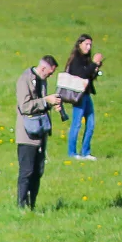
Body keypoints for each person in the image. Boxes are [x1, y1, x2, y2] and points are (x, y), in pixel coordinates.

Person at [15, 55, 62, 210]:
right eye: (49, 73)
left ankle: (32, 206)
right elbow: (25, 106)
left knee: (38, 172)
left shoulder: (42, 80)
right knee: (26, 172)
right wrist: (45, 101)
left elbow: (42, 104)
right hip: (27, 135)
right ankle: (21, 206)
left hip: (40, 132)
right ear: (43, 68)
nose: (49, 76)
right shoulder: (25, 80)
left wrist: (52, 104)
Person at [66, 34, 104, 160]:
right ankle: (72, 153)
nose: (88, 47)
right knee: (76, 124)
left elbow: (89, 76)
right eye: (86, 44)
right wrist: (93, 64)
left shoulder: (86, 59)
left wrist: (96, 68)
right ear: (79, 44)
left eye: (90, 45)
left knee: (91, 124)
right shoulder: (76, 59)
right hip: (78, 95)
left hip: (86, 94)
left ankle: (85, 152)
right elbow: (81, 74)